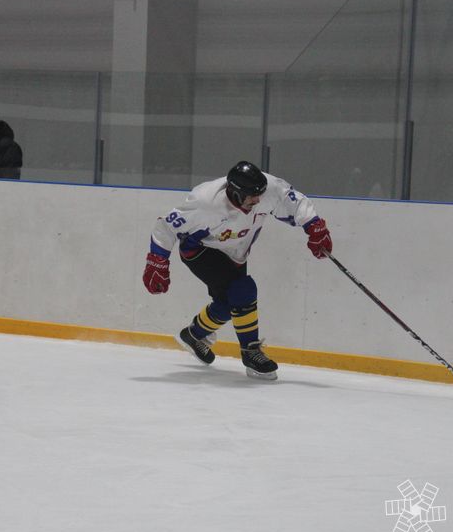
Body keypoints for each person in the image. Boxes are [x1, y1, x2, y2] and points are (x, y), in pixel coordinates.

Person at [142, 161, 333, 380]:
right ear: (235, 191)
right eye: (252, 196)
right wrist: (157, 261)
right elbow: (166, 226)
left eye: (259, 194)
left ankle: (194, 335)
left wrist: (315, 226)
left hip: (236, 253)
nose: (258, 200)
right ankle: (251, 352)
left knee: (229, 305)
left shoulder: (266, 188)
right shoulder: (206, 202)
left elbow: (294, 202)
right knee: (244, 290)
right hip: (201, 250)